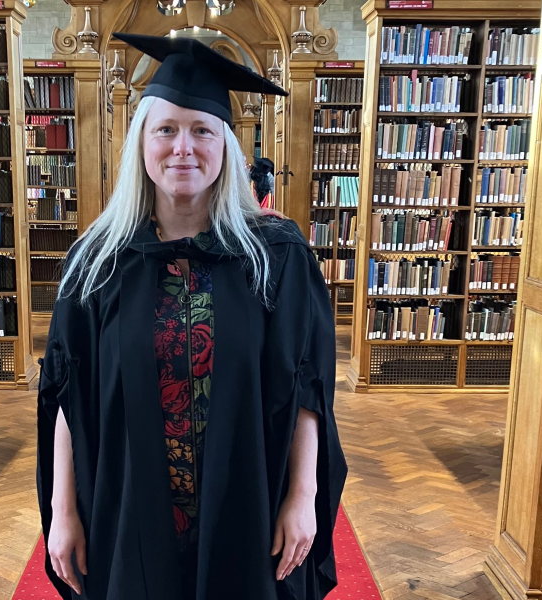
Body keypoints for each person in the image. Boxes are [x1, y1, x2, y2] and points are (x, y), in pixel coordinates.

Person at [36, 31, 348, 600]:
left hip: (244, 502)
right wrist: (63, 512)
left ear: (225, 145)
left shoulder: (275, 256)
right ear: (142, 145)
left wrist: (302, 499)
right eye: (166, 130)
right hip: (131, 503)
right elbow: (68, 394)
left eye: (202, 130)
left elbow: (306, 388)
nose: (184, 147)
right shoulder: (97, 262)